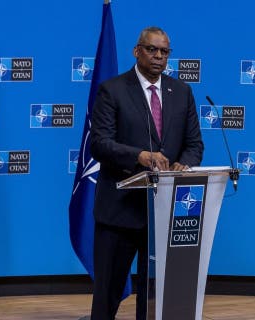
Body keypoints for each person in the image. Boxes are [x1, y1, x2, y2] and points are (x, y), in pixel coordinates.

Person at [89, 26, 204, 320]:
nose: (158, 56)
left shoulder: (182, 92)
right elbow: (99, 144)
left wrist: (183, 164)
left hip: (163, 214)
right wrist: (138, 156)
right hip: (120, 212)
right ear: (136, 51)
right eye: (152, 49)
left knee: (156, 295)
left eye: (164, 52)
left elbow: (194, 144)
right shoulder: (112, 89)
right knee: (108, 293)